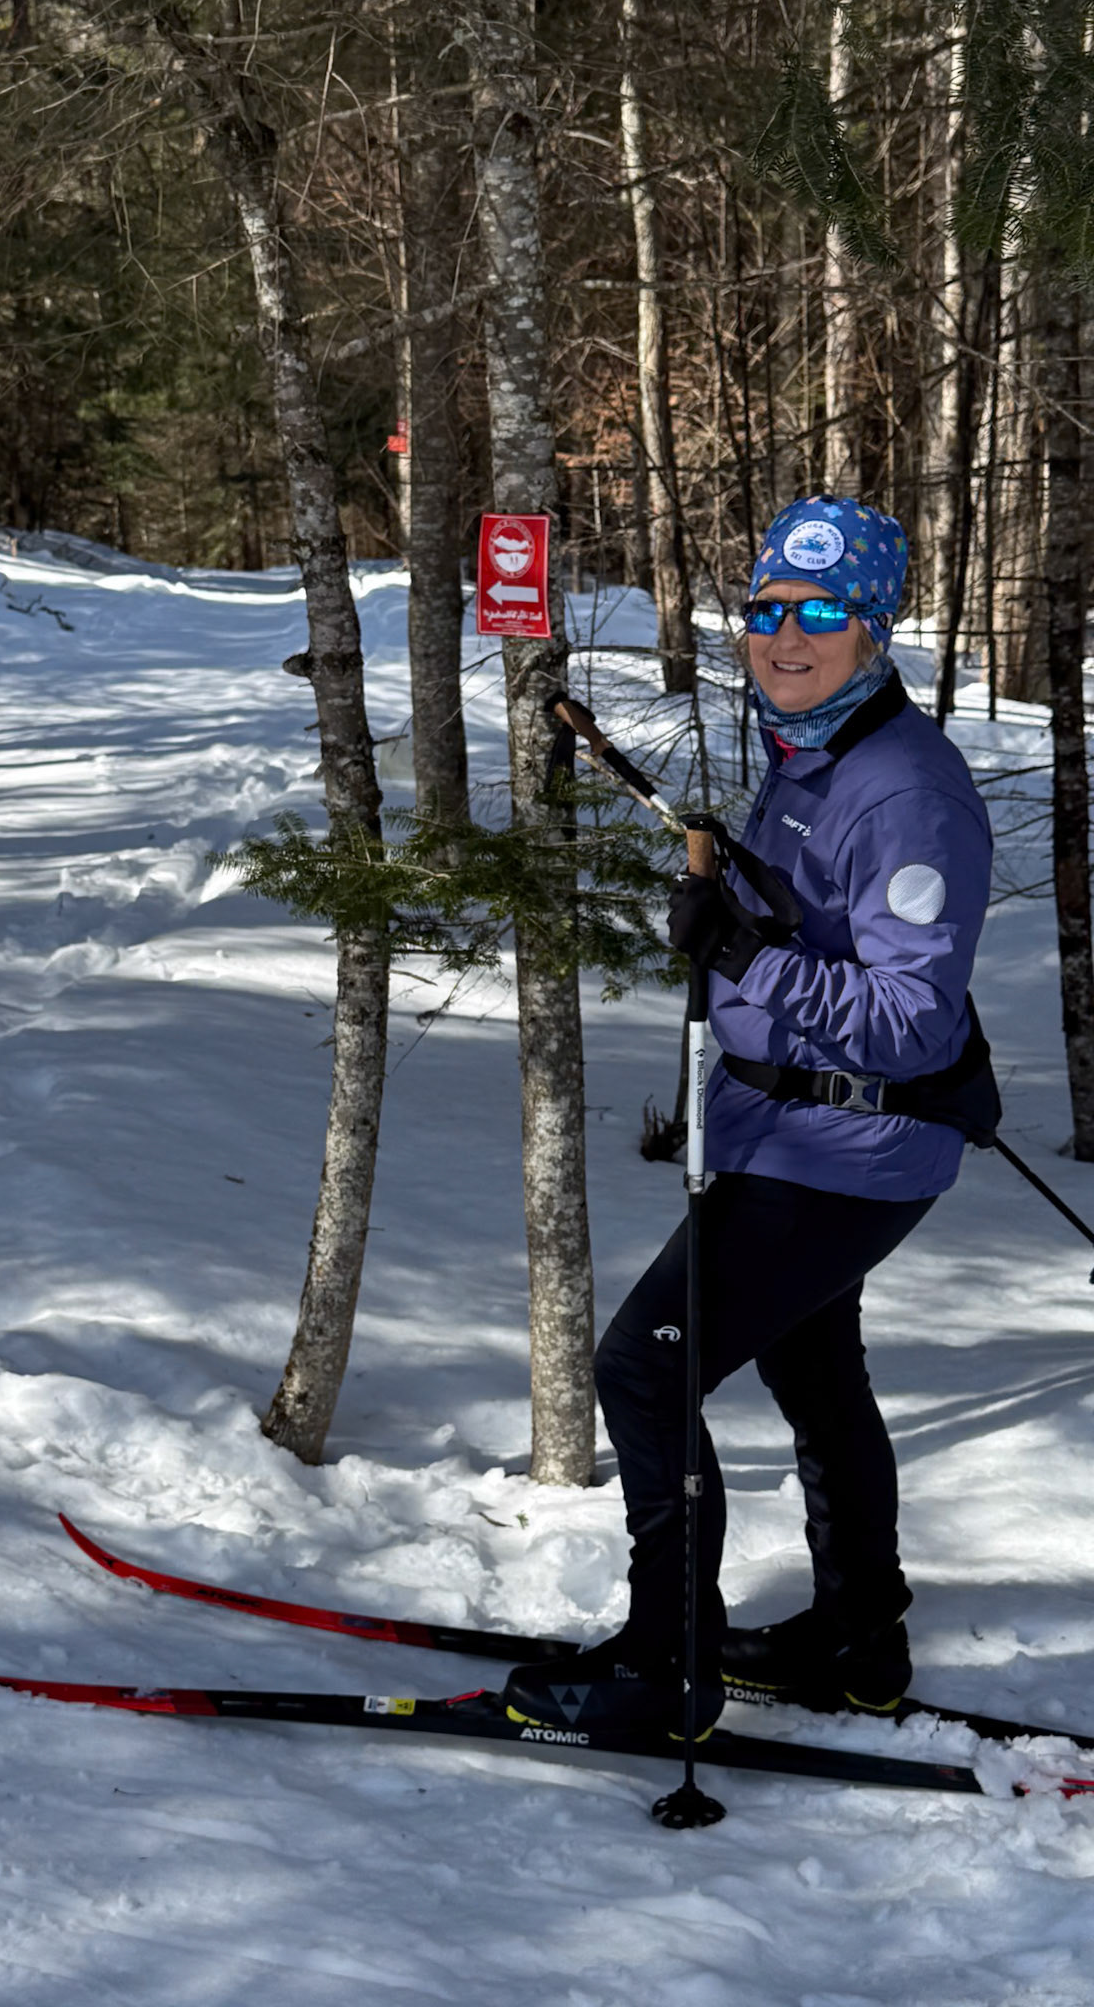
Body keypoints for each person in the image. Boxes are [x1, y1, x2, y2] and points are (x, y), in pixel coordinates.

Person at [504, 495, 995, 1737]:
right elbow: (825, 924)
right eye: (766, 609)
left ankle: (666, 1664)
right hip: (789, 1130)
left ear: (874, 629)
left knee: (644, 1369)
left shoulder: (902, 792)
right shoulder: (811, 752)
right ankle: (857, 1640)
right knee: (815, 1369)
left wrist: (750, 957)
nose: (785, 636)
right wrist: (748, 893)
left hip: (847, 1145)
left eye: (820, 612)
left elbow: (911, 1022)